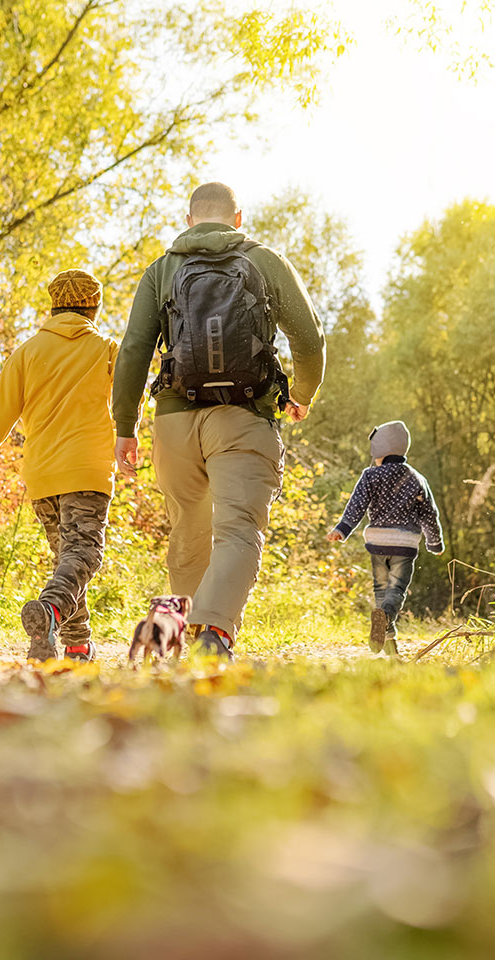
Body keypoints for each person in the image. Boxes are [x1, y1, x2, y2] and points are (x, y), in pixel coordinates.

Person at [112, 181, 325, 659]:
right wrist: (302, 395)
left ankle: (172, 632)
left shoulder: (162, 269)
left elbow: (133, 351)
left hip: (174, 421)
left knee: (188, 528)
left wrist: (124, 426)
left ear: (189, 221)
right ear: (238, 218)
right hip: (243, 415)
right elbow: (310, 342)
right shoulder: (264, 261)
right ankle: (213, 633)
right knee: (238, 529)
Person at [0, 269, 118, 662]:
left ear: (53, 306)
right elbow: (130, 400)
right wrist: (131, 438)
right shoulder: (108, 349)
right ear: (95, 306)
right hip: (88, 470)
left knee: (68, 561)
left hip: (42, 476)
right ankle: (51, 609)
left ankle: (74, 645)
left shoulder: (27, 353)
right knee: (84, 554)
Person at [327, 420, 444, 656]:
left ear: (378, 452)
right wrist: (435, 542)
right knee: (396, 589)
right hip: (405, 545)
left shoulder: (370, 476)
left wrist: (342, 529)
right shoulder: (416, 478)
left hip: (378, 543)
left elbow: (356, 506)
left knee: (381, 590)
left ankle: (389, 645)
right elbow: (428, 513)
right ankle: (387, 623)